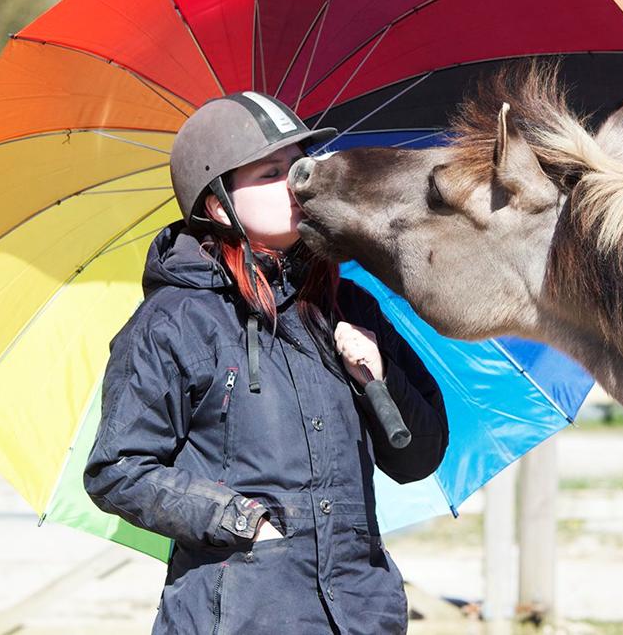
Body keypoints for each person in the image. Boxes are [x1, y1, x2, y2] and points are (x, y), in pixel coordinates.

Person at [82, 92, 450, 634]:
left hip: (359, 614)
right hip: (239, 616)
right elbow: (117, 469)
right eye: (271, 172)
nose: (297, 183)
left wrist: (380, 379)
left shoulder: (350, 305)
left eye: (300, 164)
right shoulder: (174, 321)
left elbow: (417, 459)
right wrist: (240, 521)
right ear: (216, 204)